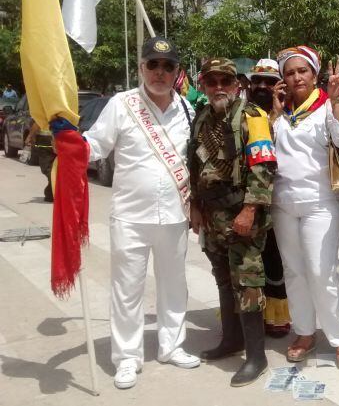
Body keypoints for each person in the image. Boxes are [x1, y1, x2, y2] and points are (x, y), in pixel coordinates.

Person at [83, 37, 199, 389]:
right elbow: (95, 146)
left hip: (175, 216)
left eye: (167, 67)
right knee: (127, 290)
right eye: (153, 65)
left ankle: (172, 345)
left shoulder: (187, 109)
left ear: (177, 73)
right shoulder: (122, 104)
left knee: (174, 285)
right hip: (131, 217)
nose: (160, 73)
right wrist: (69, 141)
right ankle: (128, 357)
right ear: (141, 69)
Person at [269, 46, 339, 369]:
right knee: (294, 272)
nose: (296, 77)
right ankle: (304, 332)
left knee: (322, 272)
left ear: (314, 73)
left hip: (321, 204)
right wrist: (274, 113)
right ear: (284, 79)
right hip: (284, 205)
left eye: (302, 71)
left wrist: (336, 101)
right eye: (290, 73)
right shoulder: (280, 113)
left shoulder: (326, 106)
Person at [188, 57, 275, 387]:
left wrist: (250, 210)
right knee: (224, 280)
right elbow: (195, 166)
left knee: (248, 283)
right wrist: (196, 206)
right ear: (204, 85)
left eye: (225, 81)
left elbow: (264, 167)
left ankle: (256, 356)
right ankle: (231, 340)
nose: (219, 87)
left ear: (237, 84)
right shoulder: (201, 119)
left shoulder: (252, 117)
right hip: (212, 216)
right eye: (212, 82)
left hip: (241, 214)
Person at [246, 58, 292, 338]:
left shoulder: (290, 114)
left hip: (281, 200)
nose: (262, 87)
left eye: (269, 82)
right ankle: (252, 315)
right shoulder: (243, 113)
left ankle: (278, 316)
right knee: (253, 262)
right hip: (249, 201)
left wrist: (278, 114)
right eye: (257, 81)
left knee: (276, 261)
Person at [25, 122, 55, 202]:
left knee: (48, 169)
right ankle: (51, 193)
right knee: (51, 169)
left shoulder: (44, 110)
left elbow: (37, 122)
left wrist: (30, 136)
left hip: (47, 141)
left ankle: (52, 193)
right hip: (51, 141)